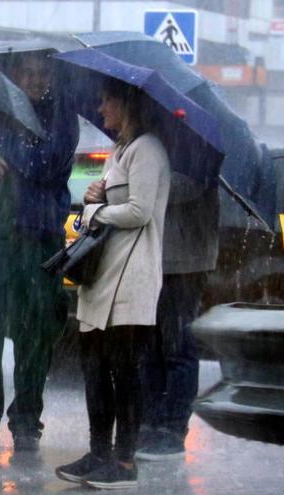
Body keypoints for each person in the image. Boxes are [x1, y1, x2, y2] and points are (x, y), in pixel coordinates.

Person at [0, 50, 79, 454]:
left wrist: (8, 148)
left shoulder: (61, 114)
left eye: (43, 73)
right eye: (28, 71)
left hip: (39, 238)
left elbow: (46, 162)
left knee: (35, 334)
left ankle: (26, 422)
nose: (36, 79)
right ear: (13, 74)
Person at [55, 79, 170, 490]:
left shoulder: (148, 150)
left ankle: (123, 463)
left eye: (107, 101)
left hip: (132, 276)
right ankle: (98, 452)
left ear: (126, 103)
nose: (101, 108)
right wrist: (93, 198)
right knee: (95, 371)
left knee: (124, 371)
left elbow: (139, 211)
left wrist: (98, 211)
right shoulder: (120, 150)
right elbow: (105, 205)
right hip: (102, 275)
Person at [137, 178, 218, 460]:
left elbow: (188, 187)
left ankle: (172, 430)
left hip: (186, 260)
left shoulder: (197, 149)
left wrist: (146, 180)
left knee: (177, 346)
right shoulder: (165, 140)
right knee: (150, 347)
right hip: (156, 256)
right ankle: (149, 423)